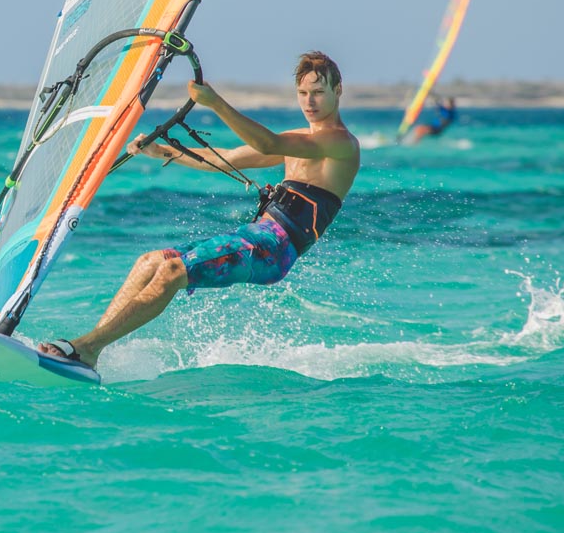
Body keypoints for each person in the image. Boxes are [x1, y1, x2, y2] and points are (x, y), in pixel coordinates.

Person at [38, 51, 361, 371]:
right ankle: (89, 348)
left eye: (318, 92)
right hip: (255, 236)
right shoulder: (301, 140)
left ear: (338, 91)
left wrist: (216, 103)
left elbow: (267, 144)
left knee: (172, 272)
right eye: (303, 93)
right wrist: (161, 151)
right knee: (150, 262)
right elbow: (228, 158)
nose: (309, 101)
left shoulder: (340, 143)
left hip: (275, 249)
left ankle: (85, 349)